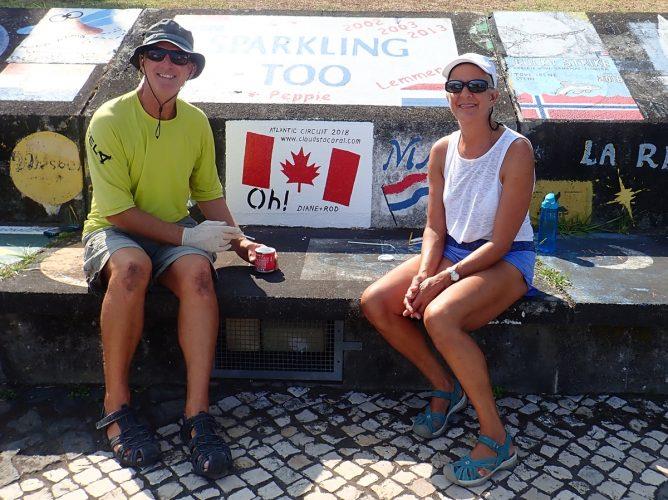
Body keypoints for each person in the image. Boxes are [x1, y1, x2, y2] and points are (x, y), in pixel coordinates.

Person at [82, 19, 263, 479]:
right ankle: (116, 408)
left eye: (179, 57)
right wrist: (187, 237)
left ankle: (196, 414)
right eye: (158, 54)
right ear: (141, 62)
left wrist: (241, 242)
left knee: (201, 277)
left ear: (191, 70)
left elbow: (208, 194)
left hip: (174, 229)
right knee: (131, 270)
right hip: (116, 230)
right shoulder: (108, 120)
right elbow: (118, 212)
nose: (168, 64)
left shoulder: (196, 122)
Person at [361, 53, 536, 487]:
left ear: (494, 95)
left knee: (441, 316)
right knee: (377, 303)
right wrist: (424, 272)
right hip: (453, 251)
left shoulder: (515, 150)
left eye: (476, 86)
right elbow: (435, 226)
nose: (465, 94)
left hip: (507, 258)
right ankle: (446, 386)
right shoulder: (442, 149)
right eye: (456, 86)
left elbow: (500, 242)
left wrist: (447, 278)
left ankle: (497, 438)